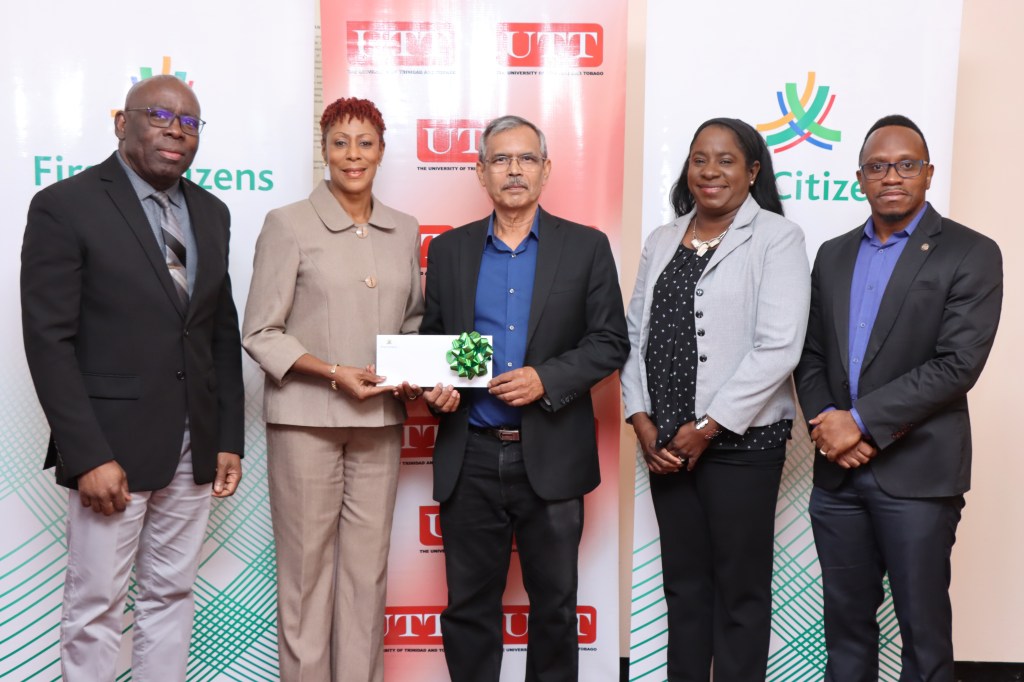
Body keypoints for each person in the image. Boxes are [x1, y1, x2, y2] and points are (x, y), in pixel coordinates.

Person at [20, 74, 244, 680]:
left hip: (194, 446)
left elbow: (220, 332)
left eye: (190, 123)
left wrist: (227, 437)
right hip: (109, 449)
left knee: (172, 598)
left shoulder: (212, 212)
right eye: (159, 116)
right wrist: (86, 452)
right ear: (122, 122)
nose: (176, 131)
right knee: (95, 606)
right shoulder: (65, 206)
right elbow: (48, 340)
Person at [420, 114, 628, 681]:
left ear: (546, 170)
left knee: (557, 608)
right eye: (501, 160)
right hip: (472, 453)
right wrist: (437, 388)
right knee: (469, 609)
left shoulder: (585, 247)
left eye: (527, 159)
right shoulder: (451, 251)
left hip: (553, 452)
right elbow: (434, 341)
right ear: (480, 172)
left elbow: (611, 342)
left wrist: (547, 379)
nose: (515, 171)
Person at [795, 115, 1003, 680]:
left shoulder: (971, 252)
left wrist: (859, 422)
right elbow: (810, 356)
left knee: (923, 631)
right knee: (844, 628)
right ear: (859, 177)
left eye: (906, 164)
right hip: (837, 477)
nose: (892, 176)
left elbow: (957, 364)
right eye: (878, 166)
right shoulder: (833, 255)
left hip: (918, 475)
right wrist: (829, 426)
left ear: (929, 173)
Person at [621, 117, 810, 681]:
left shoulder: (778, 237)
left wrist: (707, 427)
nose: (710, 171)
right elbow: (633, 336)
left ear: (753, 171)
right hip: (664, 444)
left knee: (739, 591)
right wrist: (640, 420)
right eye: (700, 158)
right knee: (683, 586)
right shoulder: (662, 239)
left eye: (726, 160)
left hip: (741, 445)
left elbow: (780, 347)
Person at [242, 96, 423, 682]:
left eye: (365, 142)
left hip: (379, 425)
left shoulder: (404, 230)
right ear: (324, 151)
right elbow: (261, 331)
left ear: (381, 150)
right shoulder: (287, 223)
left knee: (366, 574)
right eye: (341, 142)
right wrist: (330, 371)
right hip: (305, 422)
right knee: (304, 574)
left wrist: (418, 370)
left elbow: (414, 322)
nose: (353, 154)